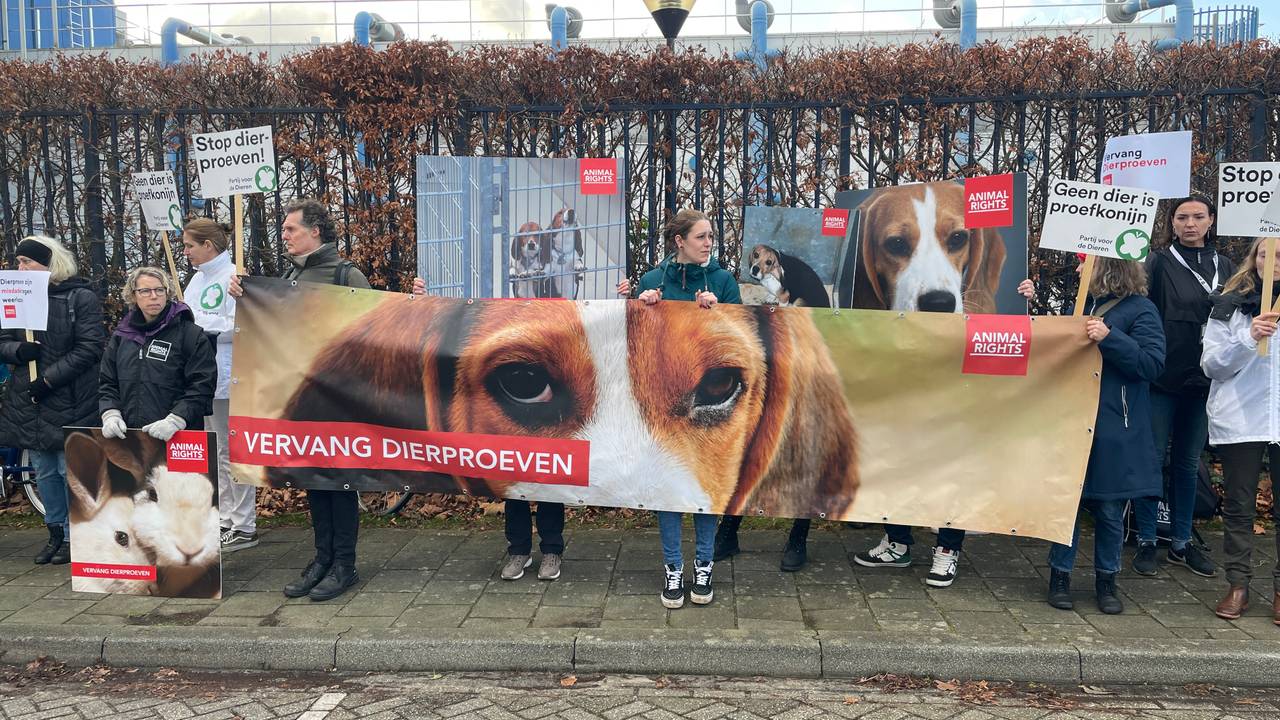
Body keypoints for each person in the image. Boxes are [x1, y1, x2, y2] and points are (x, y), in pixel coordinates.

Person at [851, 278, 1039, 588]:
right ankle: (897, 542)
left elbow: (1010, 336)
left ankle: (947, 550)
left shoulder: (971, 285)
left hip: (957, 397)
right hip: (912, 390)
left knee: (952, 474)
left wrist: (1024, 303)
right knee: (901, 466)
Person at [230, 198, 371, 602]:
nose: (284, 236)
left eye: (291, 229)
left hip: (338, 403)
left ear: (315, 231)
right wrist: (245, 296)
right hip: (301, 400)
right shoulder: (286, 276)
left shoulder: (347, 274)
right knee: (312, 480)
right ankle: (322, 559)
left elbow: (368, 338)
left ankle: (345, 564)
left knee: (339, 482)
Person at [409, 276, 565, 582]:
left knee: (551, 482)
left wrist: (622, 294)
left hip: (554, 400)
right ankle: (518, 549)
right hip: (500, 395)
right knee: (513, 486)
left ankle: (552, 550)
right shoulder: (488, 282)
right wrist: (425, 299)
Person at [616, 208, 734, 608]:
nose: (708, 243)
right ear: (679, 241)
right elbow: (628, 342)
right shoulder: (653, 281)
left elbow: (742, 340)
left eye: (711, 236)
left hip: (709, 403)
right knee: (668, 487)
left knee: (702, 485)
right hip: (662, 403)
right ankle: (672, 568)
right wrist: (641, 307)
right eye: (701, 237)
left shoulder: (722, 280)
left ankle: (704, 564)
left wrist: (721, 312)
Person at [1044, 255, 1165, 615]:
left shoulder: (1141, 310)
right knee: (1067, 505)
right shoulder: (1077, 305)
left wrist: (1110, 339)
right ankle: (1059, 576)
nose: (1078, 270)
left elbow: (1152, 365)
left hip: (1115, 425)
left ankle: (1107, 581)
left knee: (1111, 508)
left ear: (1107, 269)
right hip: (1071, 420)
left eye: (1086, 264)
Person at [1133, 194, 1232, 578]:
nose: (1190, 224)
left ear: (1210, 221)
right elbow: (1139, 305)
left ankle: (1181, 542)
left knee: (1189, 464)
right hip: (1162, 377)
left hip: (1206, 379)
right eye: (1182, 218)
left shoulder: (1224, 265)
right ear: (1172, 223)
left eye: (1198, 217)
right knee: (1153, 459)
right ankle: (1145, 540)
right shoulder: (1157, 262)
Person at [0, 236, 105, 565]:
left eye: (27, 262)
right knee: (43, 471)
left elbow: (89, 348)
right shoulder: (16, 297)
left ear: (49, 263)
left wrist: (48, 379)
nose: (21, 267)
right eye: (18, 262)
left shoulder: (80, 298)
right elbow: (2, 340)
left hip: (69, 395)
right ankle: (55, 531)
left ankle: (78, 536)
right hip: (29, 400)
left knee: (67, 468)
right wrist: (19, 351)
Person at [1199, 237, 1280, 625]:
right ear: (1254, 259)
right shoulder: (1229, 305)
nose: (1274, 261)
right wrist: (1250, 338)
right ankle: (1238, 584)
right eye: (1266, 253)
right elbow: (1212, 365)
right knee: (1239, 505)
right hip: (1242, 417)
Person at [181, 218, 257, 553]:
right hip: (203, 378)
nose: (185, 252)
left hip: (228, 375)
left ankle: (244, 524)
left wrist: (198, 324)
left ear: (208, 246)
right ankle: (226, 519)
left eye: (190, 246)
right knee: (217, 450)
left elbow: (240, 325)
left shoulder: (234, 277)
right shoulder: (197, 280)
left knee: (232, 451)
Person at [100, 267, 216, 442]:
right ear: (133, 295)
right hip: (131, 439)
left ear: (167, 293)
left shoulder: (191, 335)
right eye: (145, 291)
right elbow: (107, 382)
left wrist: (176, 420)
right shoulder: (122, 336)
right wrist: (110, 414)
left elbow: (202, 385)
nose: (154, 296)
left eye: (159, 290)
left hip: (179, 439)